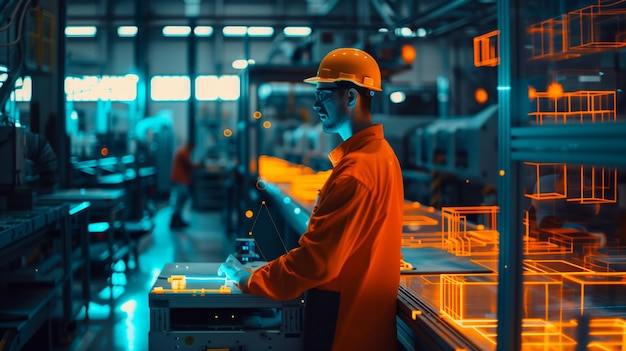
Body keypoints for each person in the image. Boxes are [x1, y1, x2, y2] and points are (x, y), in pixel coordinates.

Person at [219, 48, 404, 351]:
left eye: (324, 95)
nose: (316, 105)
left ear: (352, 97)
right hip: (366, 321)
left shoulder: (355, 173)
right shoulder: (381, 156)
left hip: (343, 326)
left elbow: (316, 263)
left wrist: (249, 279)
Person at [169, 141, 199, 228]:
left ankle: (178, 220)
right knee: (179, 201)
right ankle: (174, 221)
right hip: (180, 180)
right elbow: (188, 165)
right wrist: (199, 165)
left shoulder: (183, 152)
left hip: (181, 180)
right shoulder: (183, 152)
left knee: (181, 200)